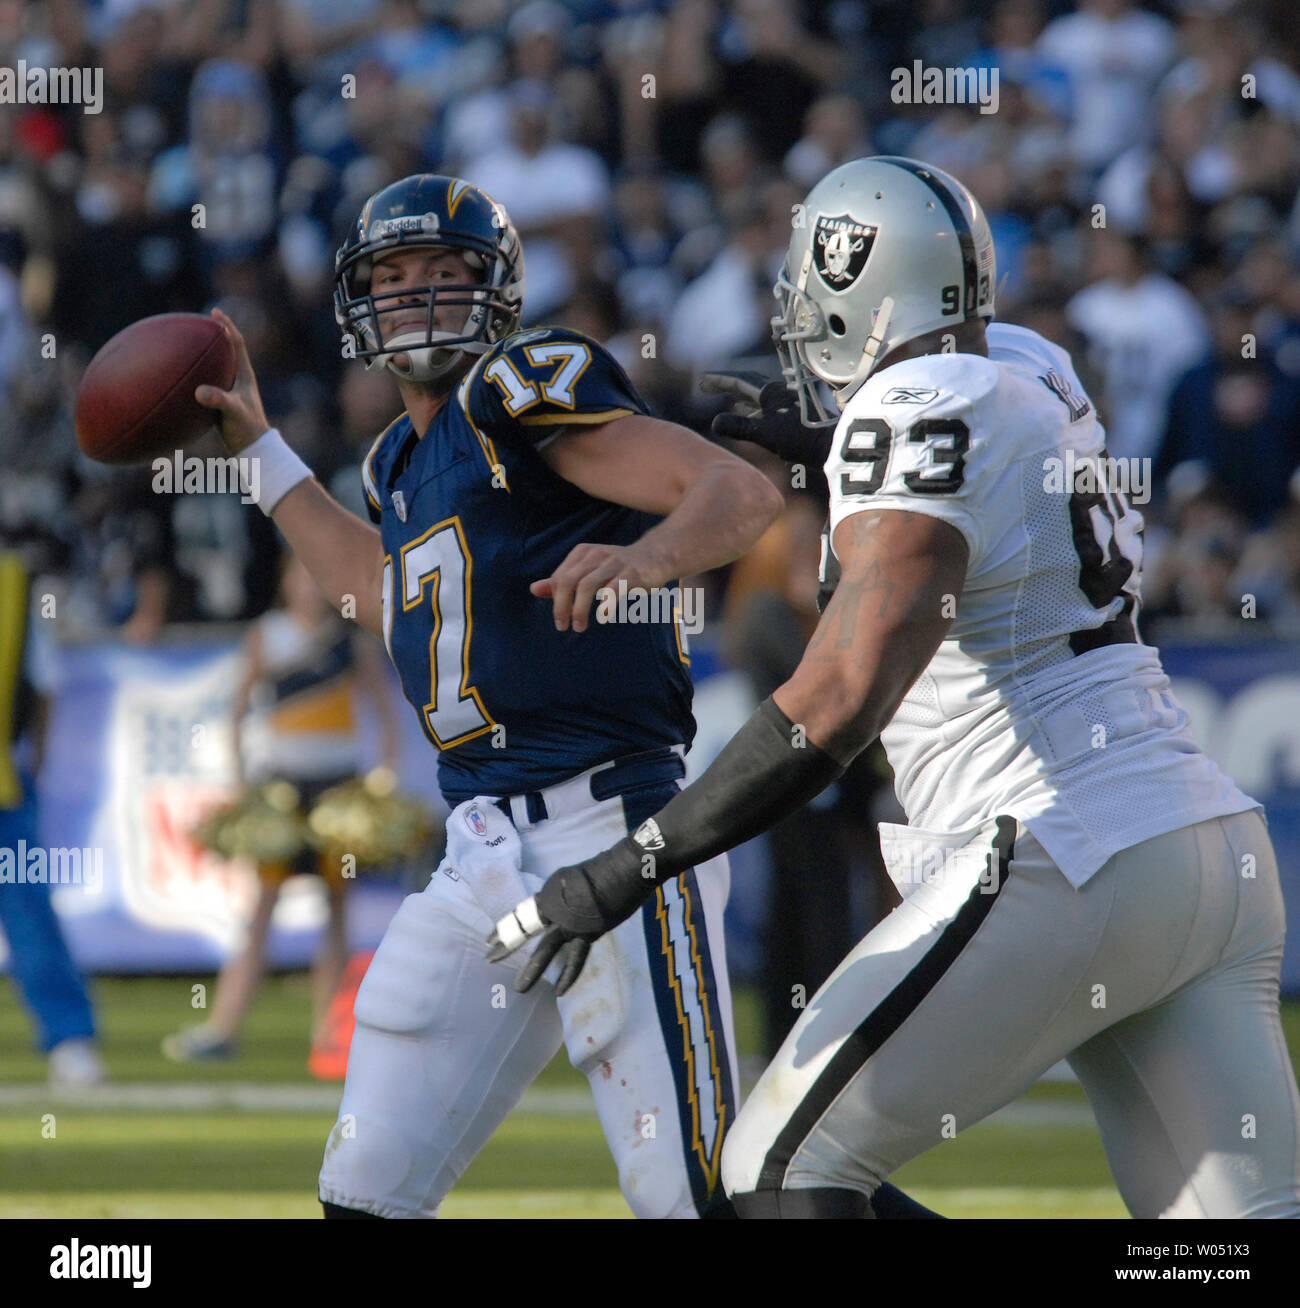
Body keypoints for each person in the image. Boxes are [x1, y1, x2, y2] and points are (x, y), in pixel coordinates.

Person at [488, 156, 1300, 1219]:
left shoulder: (919, 408)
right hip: (1205, 850)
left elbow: (837, 695)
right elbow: (976, 477)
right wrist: (834, 447)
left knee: (774, 1175)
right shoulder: (1029, 362)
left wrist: (632, 865)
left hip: (1063, 846)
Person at [192, 174, 784, 1219]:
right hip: (480, 856)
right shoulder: (398, 460)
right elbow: (382, 598)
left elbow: (736, 493)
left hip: (619, 832)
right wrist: (259, 451)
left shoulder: (519, 384)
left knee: (689, 1195)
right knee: (367, 1183)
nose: (416, 295)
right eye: (392, 275)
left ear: (494, 287)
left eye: (443, 272)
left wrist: (647, 561)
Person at [162, 555, 399, 1062]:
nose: (311, 587)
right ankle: (223, 1029)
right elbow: (238, 709)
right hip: (282, 788)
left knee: (336, 910)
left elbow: (384, 710)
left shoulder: (349, 640)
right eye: (300, 576)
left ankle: (330, 1033)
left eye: (318, 577)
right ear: (286, 583)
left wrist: (384, 777)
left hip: (338, 791)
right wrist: (241, 779)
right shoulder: (267, 635)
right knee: (262, 908)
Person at [0, 546, 105, 1089]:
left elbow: (40, 684)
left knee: (30, 917)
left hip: (4, 787)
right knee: (29, 913)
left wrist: (31, 763)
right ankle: (70, 1038)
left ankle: (70, 1038)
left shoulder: (14, 582)